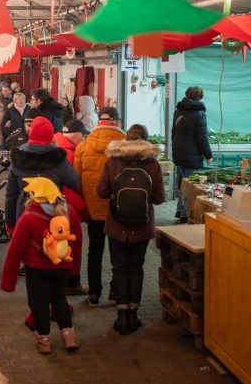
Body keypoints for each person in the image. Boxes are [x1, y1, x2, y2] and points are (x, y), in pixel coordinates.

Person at [97, 124, 165, 334]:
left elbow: (101, 191)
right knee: (136, 268)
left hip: (116, 225)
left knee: (119, 268)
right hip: (142, 226)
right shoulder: (152, 164)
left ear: (126, 139)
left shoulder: (113, 161)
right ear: (145, 140)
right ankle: (134, 316)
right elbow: (160, 198)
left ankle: (121, 317)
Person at [1, 177, 78, 354]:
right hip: (61, 267)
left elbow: (15, 250)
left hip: (36, 269)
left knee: (40, 303)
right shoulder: (69, 212)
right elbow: (77, 242)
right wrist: (73, 268)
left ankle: (44, 341)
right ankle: (69, 336)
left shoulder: (28, 217)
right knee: (60, 299)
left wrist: (8, 282)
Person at [74, 107, 126, 305]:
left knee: (94, 250)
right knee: (117, 252)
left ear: (99, 122)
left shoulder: (83, 146)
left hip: (93, 209)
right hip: (117, 208)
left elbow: (76, 180)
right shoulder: (126, 145)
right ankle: (115, 291)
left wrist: (85, 204)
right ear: (116, 122)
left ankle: (94, 293)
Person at [5, 117, 79, 234]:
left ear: (31, 134)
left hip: (25, 214)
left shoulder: (18, 158)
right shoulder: (58, 159)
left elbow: (11, 195)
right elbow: (74, 182)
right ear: (51, 136)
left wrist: (10, 223)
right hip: (53, 214)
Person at [53, 119, 91, 294]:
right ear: (76, 134)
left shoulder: (59, 147)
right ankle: (70, 284)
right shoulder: (67, 154)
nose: (84, 138)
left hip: (58, 208)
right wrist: (83, 209)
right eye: (83, 135)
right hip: (67, 209)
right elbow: (68, 188)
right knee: (72, 246)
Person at [172, 87, 213, 223]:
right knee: (190, 186)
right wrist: (208, 155)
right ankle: (186, 213)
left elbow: (174, 133)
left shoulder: (179, 111)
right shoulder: (199, 114)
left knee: (184, 183)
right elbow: (202, 138)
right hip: (191, 155)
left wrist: (175, 148)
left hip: (179, 152)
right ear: (199, 97)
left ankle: (181, 211)